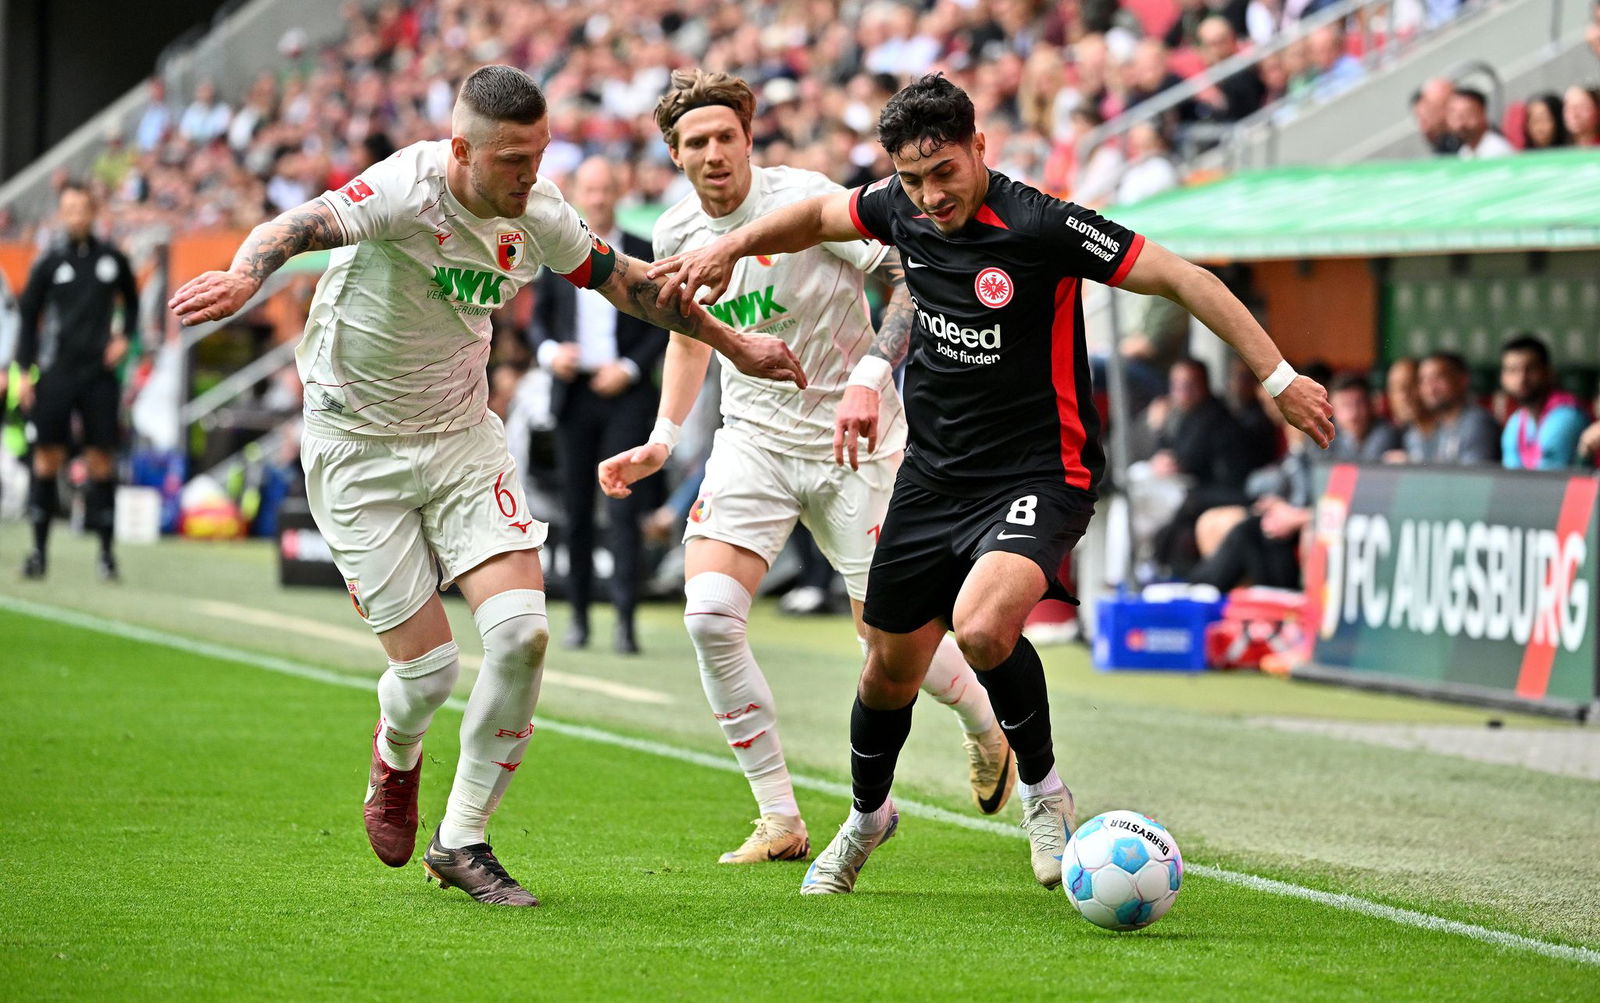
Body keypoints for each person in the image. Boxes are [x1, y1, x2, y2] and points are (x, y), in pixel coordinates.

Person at [648, 74, 1332, 895]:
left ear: (981, 147)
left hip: (1042, 470)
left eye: (945, 173)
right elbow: (821, 216)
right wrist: (730, 245)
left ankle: (1045, 794)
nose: (930, 196)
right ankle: (867, 818)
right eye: (912, 179)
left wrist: (1278, 374)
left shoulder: (1042, 225)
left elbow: (1186, 279)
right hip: (934, 475)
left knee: (979, 628)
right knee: (886, 670)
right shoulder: (898, 206)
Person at [168, 65, 802, 908]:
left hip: (464, 439)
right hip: (356, 449)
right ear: (460, 150)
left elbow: (635, 289)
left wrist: (735, 345)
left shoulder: (538, 212)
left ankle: (462, 837)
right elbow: (298, 225)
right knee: (428, 674)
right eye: (511, 159)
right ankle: (396, 751)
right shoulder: (407, 188)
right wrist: (249, 275)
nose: (529, 174)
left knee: (522, 637)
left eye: (538, 154)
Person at [598, 70, 1009, 866]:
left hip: (856, 440)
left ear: (749, 138)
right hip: (752, 437)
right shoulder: (676, 229)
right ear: (674, 156)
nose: (714, 153)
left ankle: (986, 728)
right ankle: (781, 817)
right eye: (696, 143)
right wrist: (662, 435)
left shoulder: (806, 199)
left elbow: (906, 282)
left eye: (726, 137)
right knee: (709, 615)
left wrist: (871, 376)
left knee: (888, 643)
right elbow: (689, 333)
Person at [530, 157, 665, 654]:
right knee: (578, 513)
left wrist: (629, 367)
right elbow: (538, 321)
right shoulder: (556, 252)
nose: (600, 196)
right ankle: (579, 618)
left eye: (607, 187)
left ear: (620, 189)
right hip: (574, 394)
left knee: (623, 511)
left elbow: (662, 324)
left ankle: (626, 622)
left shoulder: (643, 250)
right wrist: (550, 353)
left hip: (625, 394)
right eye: (591, 188)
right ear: (578, 192)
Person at [14, 183, 140, 582]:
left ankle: (106, 555)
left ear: (93, 211)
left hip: (99, 376)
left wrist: (125, 338)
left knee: (101, 460)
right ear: (60, 214)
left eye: (82, 209)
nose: (75, 216)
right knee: (47, 458)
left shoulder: (112, 260)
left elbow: (133, 303)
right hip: (56, 372)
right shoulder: (49, 262)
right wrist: (23, 372)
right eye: (68, 209)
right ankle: (38, 552)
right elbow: (28, 318)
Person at [1498, 334, 1586, 470]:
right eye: (1512, 370)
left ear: (1548, 372)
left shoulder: (1567, 415)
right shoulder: (1515, 422)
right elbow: (1511, 475)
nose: (1522, 378)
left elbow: (1546, 480)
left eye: (1531, 369)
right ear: (1503, 377)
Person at [1404, 352, 1500, 465]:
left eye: (1438, 378)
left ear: (1462, 380)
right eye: (1424, 380)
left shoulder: (1477, 423)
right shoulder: (1438, 427)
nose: (1430, 388)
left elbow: (1473, 479)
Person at [1325, 371, 1401, 462]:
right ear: (1331, 409)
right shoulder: (1324, 437)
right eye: (1344, 405)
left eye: (1359, 404)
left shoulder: (1386, 433)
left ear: (1371, 405)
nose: (1353, 414)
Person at [1448, 88, 1516, 159]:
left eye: (1467, 114)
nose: (1461, 123)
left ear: (1482, 114)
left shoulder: (1497, 151)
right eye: (1454, 114)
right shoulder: (1464, 151)